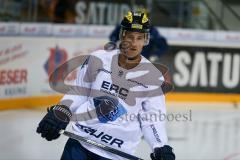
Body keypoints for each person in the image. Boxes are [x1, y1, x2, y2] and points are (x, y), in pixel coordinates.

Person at [36, 10, 175, 160]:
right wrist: (62, 110)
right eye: (130, 36)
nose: (134, 43)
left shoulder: (153, 77)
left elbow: (152, 119)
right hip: (79, 142)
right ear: (122, 36)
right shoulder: (98, 58)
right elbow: (80, 92)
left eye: (139, 38)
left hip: (116, 153)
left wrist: (160, 146)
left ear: (145, 40)